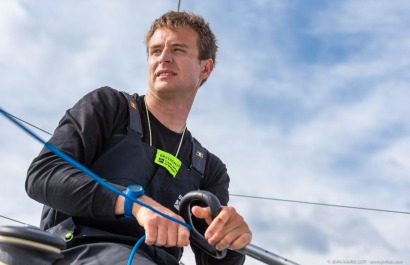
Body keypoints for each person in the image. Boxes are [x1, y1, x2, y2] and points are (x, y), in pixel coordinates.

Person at [26, 11, 252, 265]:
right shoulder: (109, 107)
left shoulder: (209, 169)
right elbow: (43, 174)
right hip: (77, 249)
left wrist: (232, 244)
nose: (164, 58)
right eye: (156, 51)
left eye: (177, 49)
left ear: (205, 68)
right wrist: (133, 203)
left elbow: (213, 258)